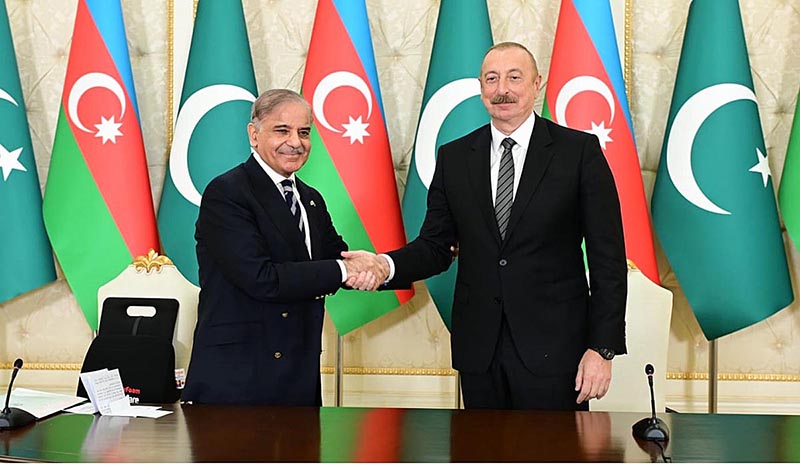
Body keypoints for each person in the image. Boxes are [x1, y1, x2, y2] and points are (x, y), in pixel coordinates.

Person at [346, 42, 627, 410]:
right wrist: (386, 265)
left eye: (514, 77)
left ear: (536, 83)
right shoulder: (454, 157)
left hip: (556, 351)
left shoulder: (578, 152)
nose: (502, 89)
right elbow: (435, 247)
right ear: (481, 88)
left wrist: (601, 348)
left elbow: (608, 258)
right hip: (480, 350)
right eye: (491, 79)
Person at [182, 89, 385, 406]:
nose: (296, 142)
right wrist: (344, 269)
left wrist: (381, 267)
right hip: (239, 375)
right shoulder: (228, 193)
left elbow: (336, 259)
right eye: (282, 130)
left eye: (304, 132)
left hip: (298, 371)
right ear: (254, 134)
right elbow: (262, 278)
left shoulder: (310, 197)